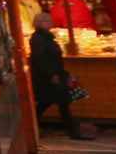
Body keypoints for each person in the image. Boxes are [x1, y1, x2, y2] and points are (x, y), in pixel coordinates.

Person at [29, 12, 91, 140]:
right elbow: (41, 59)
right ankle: (72, 131)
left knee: (50, 103)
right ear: (40, 23)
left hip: (53, 75)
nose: (51, 23)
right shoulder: (39, 39)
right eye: (47, 21)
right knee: (59, 102)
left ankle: (32, 127)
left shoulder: (44, 37)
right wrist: (52, 74)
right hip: (49, 77)